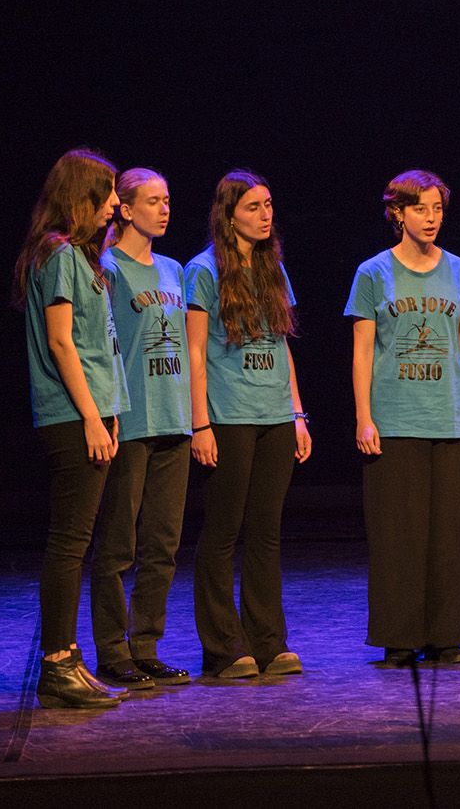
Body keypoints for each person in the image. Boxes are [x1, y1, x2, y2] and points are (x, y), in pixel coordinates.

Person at [347, 169, 460, 667]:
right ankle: (399, 636)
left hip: (448, 417)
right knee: (397, 535)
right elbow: (363, 352)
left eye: (438, 209)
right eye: (420, 209)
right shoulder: (372, 273)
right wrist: (364, 417)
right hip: (395, 420)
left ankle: (447, 635)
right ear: (397, 213)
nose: (431, 219)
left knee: (450, 535)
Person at [187, 170, 312, 680]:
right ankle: (222, 647)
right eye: (254, 206)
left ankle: (268, 641)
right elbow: (195, 349)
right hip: (229, 416)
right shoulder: (202, 270)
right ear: (229, 213)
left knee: (266, 533)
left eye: (268, 206)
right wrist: (200, 424)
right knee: (222, 532)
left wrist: (298, 413)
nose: (266, 215)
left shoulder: (272, 267)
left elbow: (282, 343)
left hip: (274, 417)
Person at [15, 149, 128, 708]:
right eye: (106, 194)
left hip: (89, 410)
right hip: (69, 415)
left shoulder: (79, 257)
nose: (115, 203)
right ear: (79, 196)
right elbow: (62, 341)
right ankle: (58, 665)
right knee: (69, 542)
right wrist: (90, 416)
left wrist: (105, 411)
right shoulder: (58, 254)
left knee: (76, 541)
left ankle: (67, 658)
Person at [90, 168, 193, 689]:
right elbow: (101, 345)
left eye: (168, 200)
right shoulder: (107, 268)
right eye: (153, 201)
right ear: (126, 209)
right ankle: (111, 648)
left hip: (174, 420)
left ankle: (146, 643)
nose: (164, 209)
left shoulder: (175, 269)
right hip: (130, 421)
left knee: (163, 543)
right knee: (116, 545)